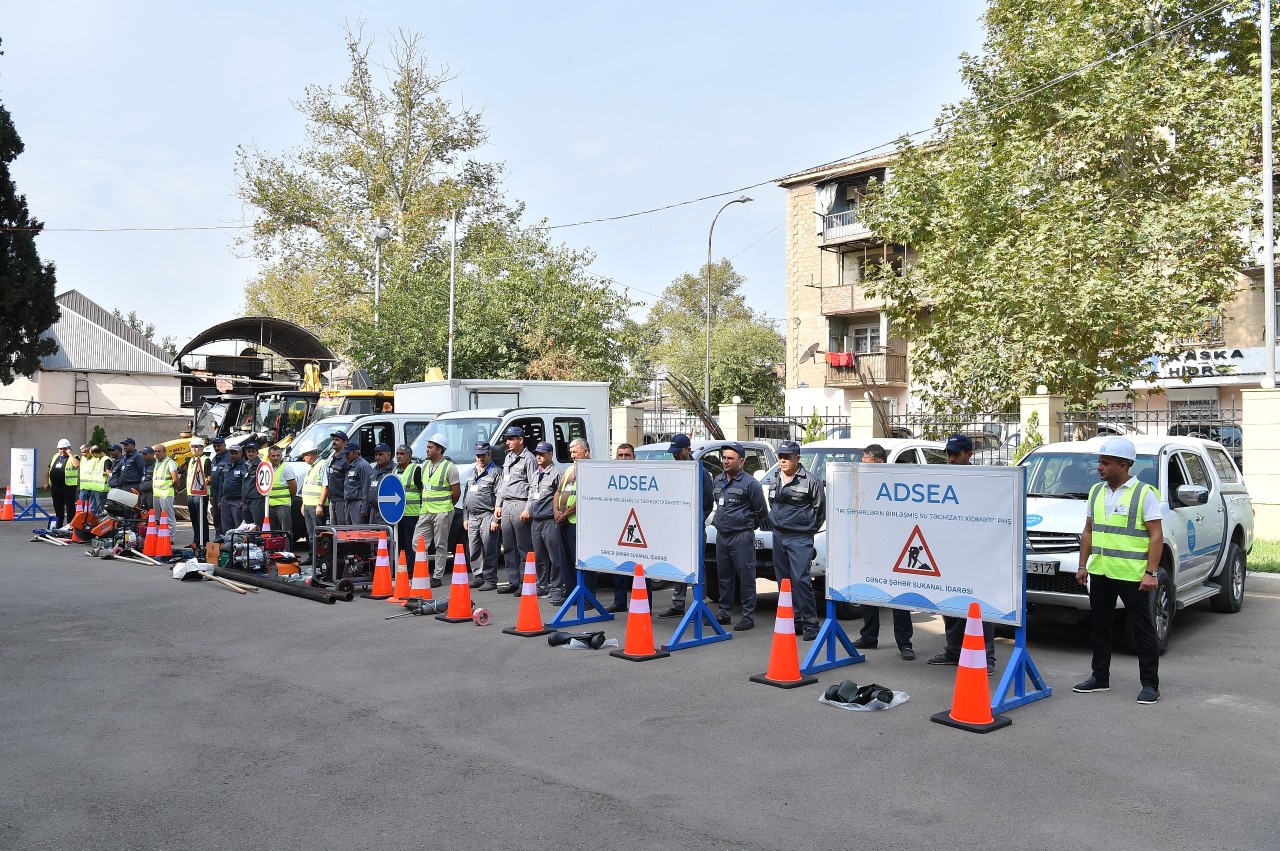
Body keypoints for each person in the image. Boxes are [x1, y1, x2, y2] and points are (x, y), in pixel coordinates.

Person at [1073, 436, 1163, 705]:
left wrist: (1151, 573)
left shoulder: (1144, 493)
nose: (1099, 467)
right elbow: (1088, 531)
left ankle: (1150, 685)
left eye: (1105, 463)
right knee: (1100, 627)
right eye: (1099, 462)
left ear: (1123, 465)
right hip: (1100, 571)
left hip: (1133, 575)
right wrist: (1082, 565)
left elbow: (1156, 536)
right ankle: (1099, 677)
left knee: (1143, 630)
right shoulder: (1096, 491)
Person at [928, 434, 997, 673]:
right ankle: (954, 650)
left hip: (976, 553)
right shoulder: (942, 478)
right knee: (950, 603)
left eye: (956, 454)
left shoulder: (982, 480)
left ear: (969, 455)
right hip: (949, 551)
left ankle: (987, 658)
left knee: (978, 607)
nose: (951, 458)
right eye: (948, 454)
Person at [853, 443, 916, 659]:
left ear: (880, 462)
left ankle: (904, 643)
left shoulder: (897, 482)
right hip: (871, 545)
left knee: (899, 596)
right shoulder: (864, 483)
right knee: (868, 591)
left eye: (868, 464)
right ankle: (869, 637)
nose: (864, 468)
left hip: (895, 547)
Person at [762, 440, 825, 642]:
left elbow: (820, 512)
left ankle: (811, 624)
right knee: (785, 582)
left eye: (787, 457)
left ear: (797, 458)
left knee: (801, 581)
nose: (782, 460)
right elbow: (773, 504)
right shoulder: (775, 478)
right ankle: (794, 621)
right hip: (779, 536)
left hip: (800, 538)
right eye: (780, 456)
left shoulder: (811, 481)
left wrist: (806, 530)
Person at [657, 435, 716, 619]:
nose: (675, 456)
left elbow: (708, 501)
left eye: (678, 452)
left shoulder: (701, 471)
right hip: (676, 528)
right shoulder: (674, 471)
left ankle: (702, 605)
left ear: (687, 450)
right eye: (673, 453)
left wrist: (697, 521)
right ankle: (678, 604)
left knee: (697, 566)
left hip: (695, 528)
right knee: (678, 564)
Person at [712, 442, 769, 631]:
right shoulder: (718, 480)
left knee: (746, 577)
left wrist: (747, 525)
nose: (726, 461)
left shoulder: (750, 483)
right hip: (722, 536)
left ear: (741, 461)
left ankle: (747, 617)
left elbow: (761, 511)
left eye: (730, 458)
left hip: (741, 537)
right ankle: (724, 614)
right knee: (724, 577)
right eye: (724, 458)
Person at [411, 434, 459, 587]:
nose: (427, 450)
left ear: (439, 449)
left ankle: (437, 577)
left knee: (440, 545)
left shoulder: (449, 467)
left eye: (430, 447)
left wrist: (445, 507)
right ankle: (423, 572)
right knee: (417, 543)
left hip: (442, 511)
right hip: (426, 511)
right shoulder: (424, 466)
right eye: (427, 447)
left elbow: (456, 493)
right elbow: (423, 487)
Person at [494, 426, 538, 594]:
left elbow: (534, 486)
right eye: (507, 439)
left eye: (511, 439)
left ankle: (525, 582)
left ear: (520, 440)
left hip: (520, 504)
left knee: (523, 547)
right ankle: (513, 581)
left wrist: (528, 508)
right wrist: (498, 504)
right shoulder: (508, 457)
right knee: (509, 546)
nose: (508, 442)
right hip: (506, 505)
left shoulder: (529, 459)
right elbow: (503, 484)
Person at [528, 441, 564, 603]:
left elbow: (562, 496)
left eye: (542, 454)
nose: (538, 457)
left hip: (550, 520)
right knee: (539, 555)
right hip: (536, 520)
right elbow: (531, 495)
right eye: (537, 454)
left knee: (554, 556)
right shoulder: (536, 474)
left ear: (550, 454)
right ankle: (541, 585)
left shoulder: (557, 473)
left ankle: (557, 586)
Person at [463, 441, 502, 591]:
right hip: (472, 517)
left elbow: (500, 497)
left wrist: (495, 519)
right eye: (478, 455)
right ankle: (478, 576)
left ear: (489, 455)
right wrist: (466, 517)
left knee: (490, 549)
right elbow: (466, 496)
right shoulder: (472, 472)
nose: (480, 458)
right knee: (474, 549)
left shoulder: (495, 472)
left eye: (483, 455)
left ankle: (490, 579)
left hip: (487, 515)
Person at [555, 438, 589, 602]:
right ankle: (570, 594)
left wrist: (566, 513)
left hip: (577, 523)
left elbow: (584, 497)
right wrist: (556, 512)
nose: (573, 455)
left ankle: (586, 597)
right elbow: (558, 492)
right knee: (566, 560)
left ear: (586, 452)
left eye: (576, 452)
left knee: (582, 563)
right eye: (571, 453)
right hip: (563, 522)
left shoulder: (590, 471)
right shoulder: (569, 470)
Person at [607, 443, 639, 612]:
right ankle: (620, 601)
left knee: (641, 568)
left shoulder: (642, 476)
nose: (624, 458)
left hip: (638, 526)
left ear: (634, 458)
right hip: (618, 525)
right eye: (621, 455)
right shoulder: (612, 476)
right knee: (618, 564)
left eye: (627, 455)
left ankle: (644, 604)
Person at [392, 444, 423, 568]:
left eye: (402, 454)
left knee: (411, 543)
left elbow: (422, 490)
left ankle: (411, 569)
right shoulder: (394, 470)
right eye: (397, 453)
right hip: (398, 514)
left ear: (409, 456)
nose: (398, 456)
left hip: (412, 513)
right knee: (400, 543)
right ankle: (402, 567)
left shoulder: (416, 469)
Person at [297, 447, 326, 566]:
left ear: (309, 454)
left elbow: (325, 486)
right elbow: (308, 487)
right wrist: (304, 503)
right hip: (309, 505)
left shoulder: (322, 465)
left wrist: (320, 505)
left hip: (316, 506)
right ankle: (312, 556)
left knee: (319, 534)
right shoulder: (311, 467)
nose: (303, 459)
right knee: (311, 535)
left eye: (304, 456)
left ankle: (320, 558)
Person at [266, 445, 298, 540]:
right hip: (270, 505)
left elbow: (293, 486)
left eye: (278, 455)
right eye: (273, 456)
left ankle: (286, 552)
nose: (276, 458)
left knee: (285, 531)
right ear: (269, 457)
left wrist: (290, 499)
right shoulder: (267, 468)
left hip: (282, 505)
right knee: (274, 532)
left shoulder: (286, 468)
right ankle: (275, 552)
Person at [45, 438, 79, 526]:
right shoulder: (56, 456)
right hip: (56, 486)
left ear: (69, 448)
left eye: (64, 448)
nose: (62, 450)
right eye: (60, 448)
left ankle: (70, 525)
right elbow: (48, 469)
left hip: (68, 486)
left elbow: (76, 465)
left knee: (70, 507)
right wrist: (46, 482)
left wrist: (70, 454)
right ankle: (58, 525)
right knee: (58, 507)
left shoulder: (74, 456)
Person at [186, 438, 212, 548]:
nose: (194, 449)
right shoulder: (192, 460)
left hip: (201, 494)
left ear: (202, 448)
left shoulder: (205, 460)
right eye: (192, 447)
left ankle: (203, 541)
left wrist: (201, 485)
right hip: (191, 494)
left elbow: (209, 478)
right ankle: (196, 540)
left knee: (201, 519)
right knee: (194, 519)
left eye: (197, 447)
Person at [340, 443, 373, 525]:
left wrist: (365, 507)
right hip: (349, 502)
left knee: (359, 531)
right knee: (350, 532)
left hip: (358, 503)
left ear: (355, 453)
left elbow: (367, 487)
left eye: (347, 454)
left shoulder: (363, 466)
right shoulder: (351, 465)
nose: (345, 456)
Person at [367, 443, 397, 527]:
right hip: (374, 511)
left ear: (389, 455)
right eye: (376, 455)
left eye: (380, 454)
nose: (377, 457)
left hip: (387, 511)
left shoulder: (395, 469)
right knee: (373, 536)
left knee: (386, 536)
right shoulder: (374, 470)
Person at [150, 443, 179, 526]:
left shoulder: (170, 462)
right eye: (155, 451)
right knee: (157, 519)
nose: (157, 453)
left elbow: (176, 480)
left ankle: (171, 538)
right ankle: (160, 537)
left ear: (165, 452)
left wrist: (174, 489)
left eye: (159, 451)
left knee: (168, 517)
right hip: (156, 494)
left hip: (166, 494)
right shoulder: (157, 462)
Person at [326, 430, 351, 525]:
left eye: (337, 440)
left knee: (342, 529)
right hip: (332, 500)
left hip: (342, 500)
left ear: (344, 442)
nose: (334, 442)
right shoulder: (333, 459)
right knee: (334, 530)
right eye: (333, 439)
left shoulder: (345, 459)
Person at [220, 446, 247, 532]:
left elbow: (245, 485)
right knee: (226, 527)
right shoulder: (226, 465)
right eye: (231, 453)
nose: (233, 455)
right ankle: (228, 545)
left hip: (237, 501)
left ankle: (238, 544)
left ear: (241, 453)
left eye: (236, 453)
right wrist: (220, 499)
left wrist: (243, 500)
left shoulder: (244, 466)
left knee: (238, 527)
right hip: (225, 500)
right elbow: (222, 482)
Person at [240, 442, 267, 528]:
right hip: (246, 501)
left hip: (257, 501)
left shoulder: (261, 466)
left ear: (257, 452)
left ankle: (257, 542)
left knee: (257, 526)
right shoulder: (245, 465)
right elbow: (244, 484)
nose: (250, 454)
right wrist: (242, 499)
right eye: (249, 451)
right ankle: (250, 542)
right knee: (248, 527)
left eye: (253, 451)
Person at [209, 437, 230, 539]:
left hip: (224, 494)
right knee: (216, 519)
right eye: (215, 446)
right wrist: (211, 495)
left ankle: (226, 541)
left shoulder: (229, 458)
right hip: (215, 494)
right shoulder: (214, 459)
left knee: (225, 520)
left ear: (224, 445)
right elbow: (212, 478)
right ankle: (218, 540)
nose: (216, 448)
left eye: (219, 446)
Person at [138, 446, 155, 513]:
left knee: (151, 510)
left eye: (145, 454)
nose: (143, 456)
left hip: (151, 492)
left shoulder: (155, 464)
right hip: (143, 491)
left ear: (151, 454)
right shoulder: (145, 464)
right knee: (143, 509)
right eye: (143, 454)